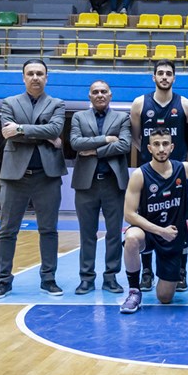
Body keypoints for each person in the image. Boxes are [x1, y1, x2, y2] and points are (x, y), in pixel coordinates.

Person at [0, 59, 67, 300]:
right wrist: (42, 133)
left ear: (46, 78)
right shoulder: (9, 102)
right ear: (23, 78)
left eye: (40, 74)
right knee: (7, 231)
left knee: (49, 230)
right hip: (15, 177)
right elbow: (8, 133)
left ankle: (48, 279)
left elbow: (54, 130)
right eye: (30, 73)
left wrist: (21, 129)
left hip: (47, 176)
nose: (35, 77)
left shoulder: (57, 104)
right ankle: (3, 281)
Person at [119, 128, 188, 313]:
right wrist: (160, 231)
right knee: (131, 237)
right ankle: (134, 291)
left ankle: (166, 278)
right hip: (149, 232)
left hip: (174, 236)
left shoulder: (184, 169)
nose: (161, 148)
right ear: (149, 148)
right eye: (156, 144)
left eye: (165, 144)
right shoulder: (139, 175)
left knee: (165, 297)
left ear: (172, 147)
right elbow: (129, 214)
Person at [130, 59, 188, 292]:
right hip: (149, 174)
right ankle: (147, 271)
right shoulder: (140, 104)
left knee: (181, 221)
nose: (165, 77)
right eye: (161, 73)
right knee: (147, 219)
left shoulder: (186, 105)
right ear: (154, 77)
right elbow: (137, 138)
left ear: (174, 78)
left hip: (177, 173)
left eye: (169, 73)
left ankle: (181, 271)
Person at [68, 80, 131, 295]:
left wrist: (95, 151)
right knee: (87, 234)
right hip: (86, 184)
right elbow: (76, 143)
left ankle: (111, 278)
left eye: (104, 91)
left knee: (114, 233)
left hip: (114, 184)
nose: (100, 95)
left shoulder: (122, 117)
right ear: (90, 96)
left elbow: (124, 145)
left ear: (110, 95)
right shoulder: (79, 117)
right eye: (95, 92)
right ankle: (86, 278)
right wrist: (106, 139)